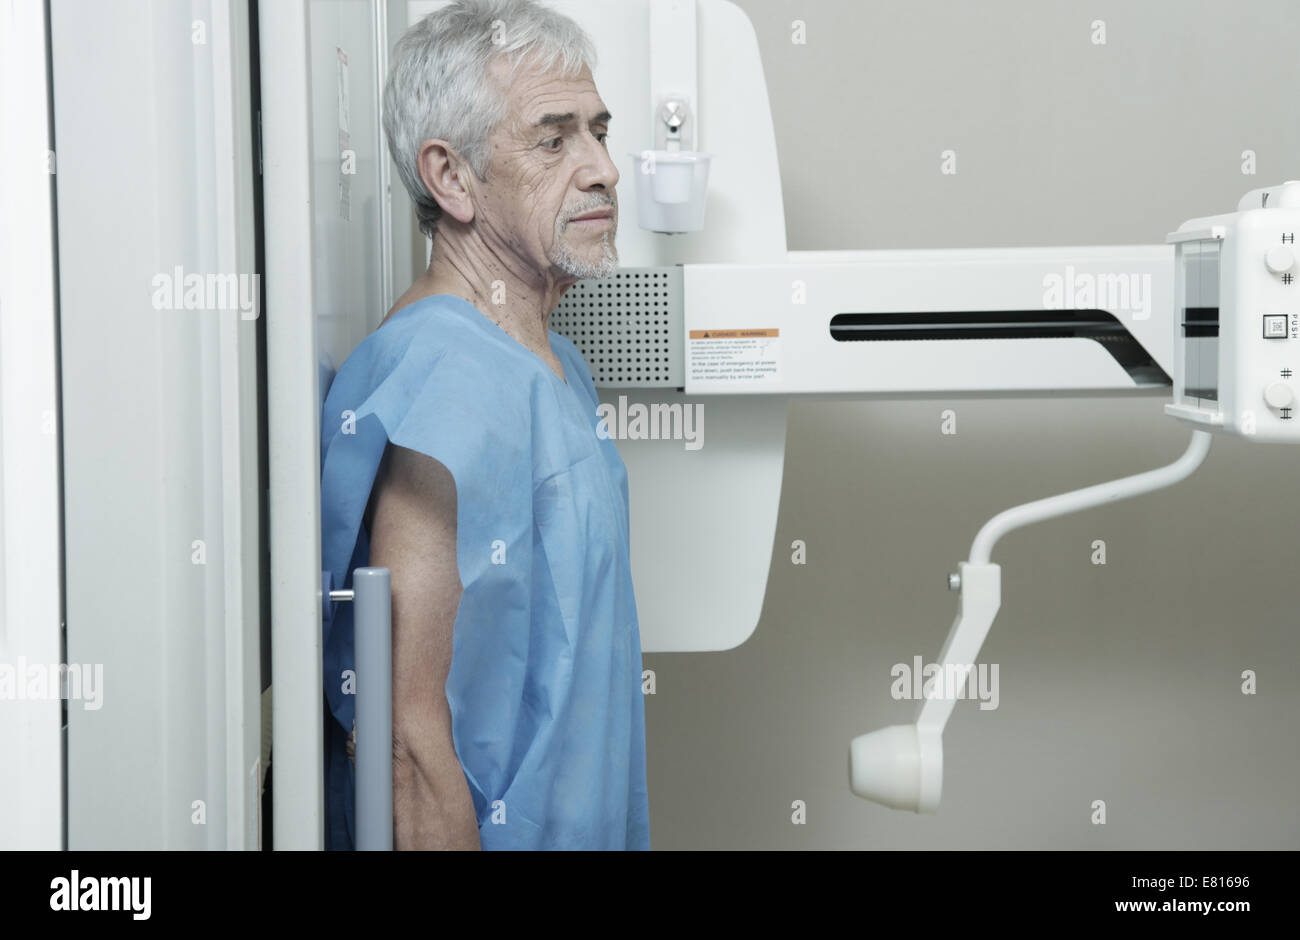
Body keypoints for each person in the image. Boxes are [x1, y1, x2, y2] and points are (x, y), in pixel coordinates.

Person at [319, 0, 649, 850]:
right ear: (452, 177)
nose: (603, 169)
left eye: (599, 133)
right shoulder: (445, 377)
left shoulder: (552, 365)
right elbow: (405, 739)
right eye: (554, 138)